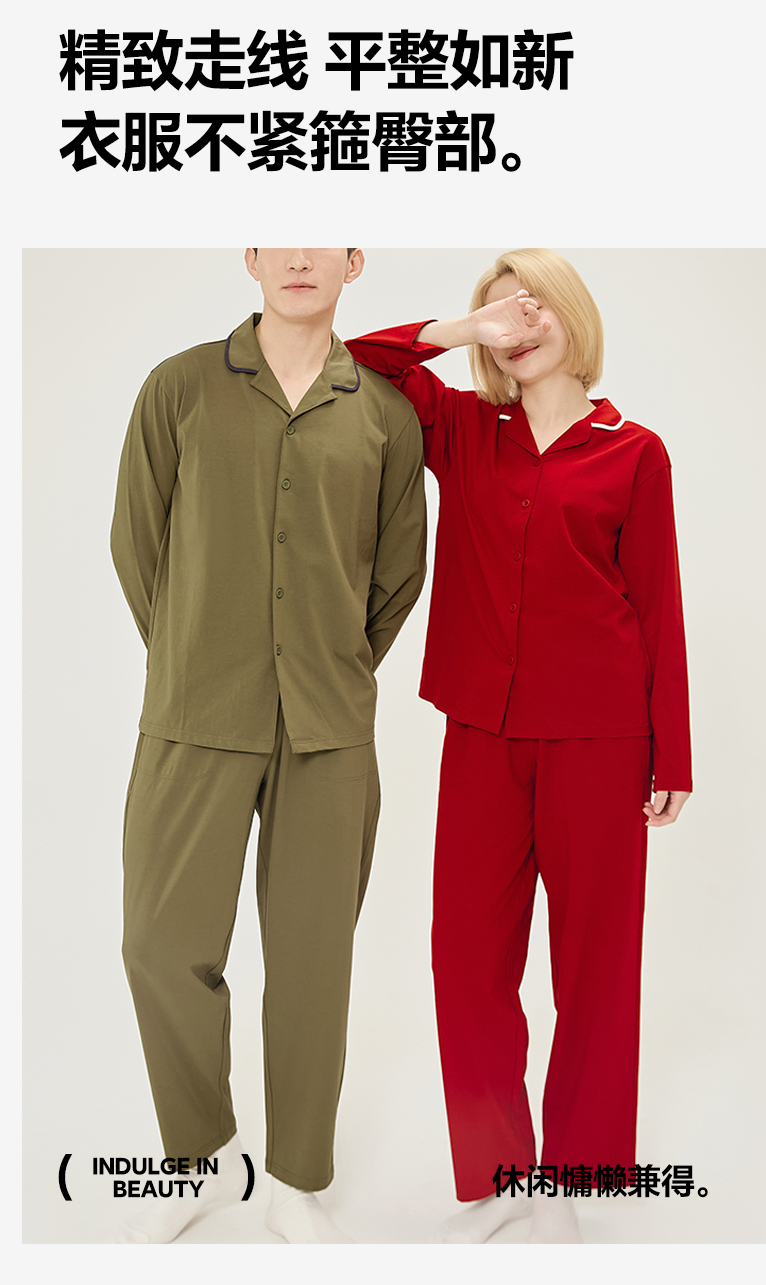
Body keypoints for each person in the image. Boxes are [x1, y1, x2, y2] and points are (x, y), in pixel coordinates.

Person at [345, 248, 692, 1244]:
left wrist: (672, 752)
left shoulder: (635, 452)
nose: (520, 325)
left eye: (536, 306)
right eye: (503, 312)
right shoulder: (463, 430)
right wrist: (464, 332)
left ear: (576, 315)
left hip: (601, 738)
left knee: (594, 967)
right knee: (465, 960)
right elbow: (360, 361)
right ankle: (503, 1173)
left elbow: (657, 604)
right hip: (482, 734)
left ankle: (576, 1177)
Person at [110, 247, 427, 1244]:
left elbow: (397, 573)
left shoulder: (384, 415)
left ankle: (295, 1179)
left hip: (328, 727)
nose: (298, 254)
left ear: (353, 260)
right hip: (195, 711)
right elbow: (136, 542)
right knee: (160, 943)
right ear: (249, 255)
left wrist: (329, 661)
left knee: (311, 962)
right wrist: (196, 648)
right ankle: (200, 1158)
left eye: (322, 236)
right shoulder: (178, 388)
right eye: (277, 235)